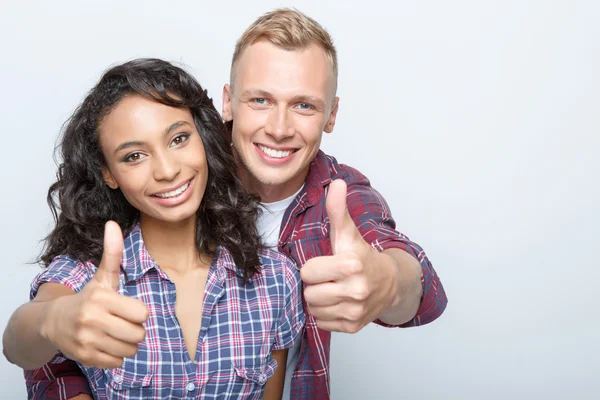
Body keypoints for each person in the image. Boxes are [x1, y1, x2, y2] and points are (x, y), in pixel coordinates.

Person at [18, 7, 448, 400]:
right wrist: (55, 322)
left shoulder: (337, 199)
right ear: (227, 102)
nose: (278, 128)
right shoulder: (178, 169)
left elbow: (420, 288)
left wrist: (388, 280)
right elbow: (43, 339)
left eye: (303, 105)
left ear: (331, 114)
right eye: (260, 100)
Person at [2, 58, 304, 399]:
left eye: (178, 139)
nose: (166, 170)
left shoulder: (277, 279)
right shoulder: (86, 276)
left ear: (202, 138)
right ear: (108, 174)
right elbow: (17, 343)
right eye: (134, 156)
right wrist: (53, 322)